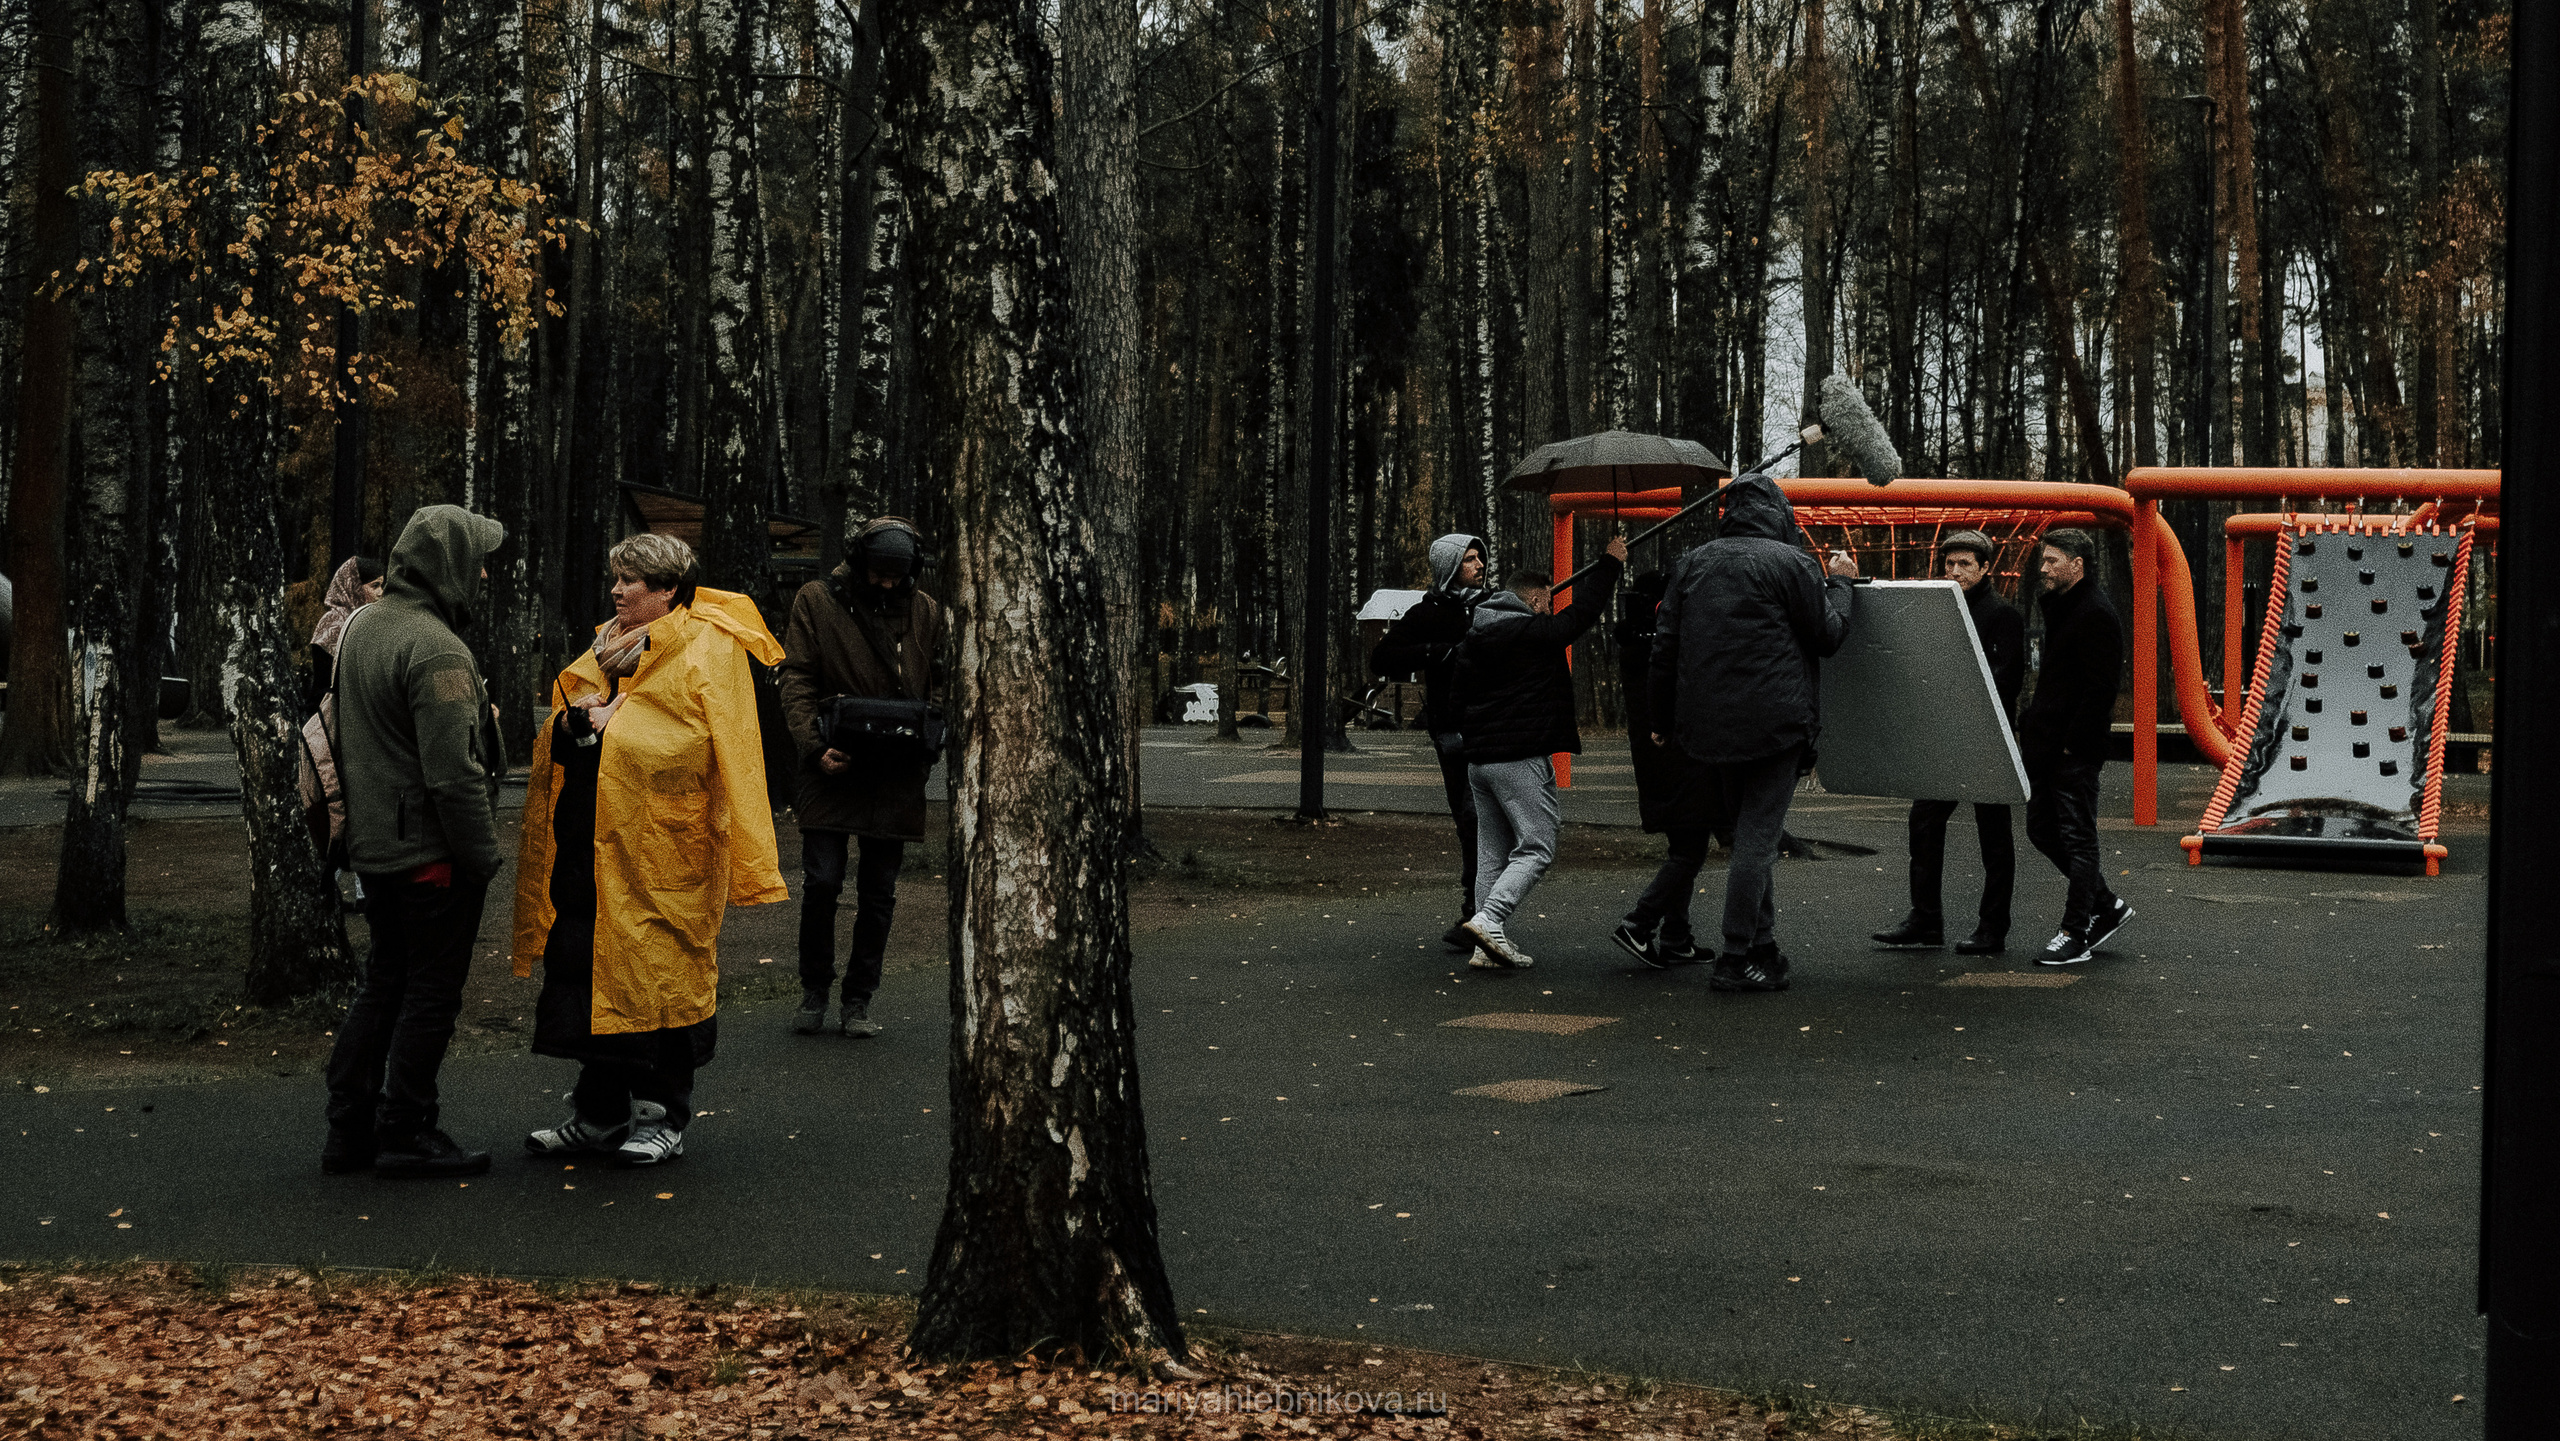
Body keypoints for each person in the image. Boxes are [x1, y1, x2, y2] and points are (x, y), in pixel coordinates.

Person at [511, 533, 789, 1167]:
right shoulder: (607, 648)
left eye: (630, 580)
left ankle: (665, 1114)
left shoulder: (707, 650)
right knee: (588, 980)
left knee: (662, 986)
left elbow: (727, 751)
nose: (616, 590)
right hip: (591, 852)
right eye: (615, 577)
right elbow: (559, 735)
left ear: (667, 590)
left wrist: (622, 725)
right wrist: (578, 724)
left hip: (665, 855)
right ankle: (598, 1115)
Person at [319, 506, 509, 1179]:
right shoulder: (435, 647)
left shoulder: (364, 624)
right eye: (477, 558)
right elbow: (455, 774)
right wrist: (482, 857)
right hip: (429, 854)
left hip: (374, 849)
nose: (484, 572)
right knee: (430, 993)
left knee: (385, 982)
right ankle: (405, 1126)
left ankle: (351, 1126)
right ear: (448, 562)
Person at [1647, 473, 1856, 993]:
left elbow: (1665, 646)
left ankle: (1763, 947)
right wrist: (1842, 584)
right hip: (1775, 721)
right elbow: (1828, 636)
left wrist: (1660, 718)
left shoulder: (1693, 562)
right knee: (1756, 842)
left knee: (1746, 835)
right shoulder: (1791, 563)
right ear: (1778, 514)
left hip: (1706, 725)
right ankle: (1736, 956)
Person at [776, 517, 945, 1037]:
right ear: (859, 562)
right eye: (878, 573)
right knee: (822, 881)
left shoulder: (926, 611)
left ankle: (858, 1001)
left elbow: (941, 682)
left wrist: (928, 737)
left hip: (894, 774)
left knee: (879, 892)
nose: (886, 584)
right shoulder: (816, 600)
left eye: (897, 576)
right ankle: (814, 990)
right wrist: (813, 745)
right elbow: (797, 677)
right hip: (830, 762)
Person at [1453, 534, 1627, 969]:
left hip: (1480, 762)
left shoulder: (1474, 638)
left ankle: (1483, 947)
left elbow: (1455, 700)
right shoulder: (1529, 632)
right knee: (1538, 845)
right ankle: (1490, 920)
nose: (1549, 609)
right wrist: (1610, 564)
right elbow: (1580, 616)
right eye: (1546, 602)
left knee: (1492, 853)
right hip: (1520, 758)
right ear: (1533, 599)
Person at [1871, 530, 2027, 954]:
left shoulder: (2002, 615)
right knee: (1923, 823)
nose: (1955, 571)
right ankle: (1926, 920)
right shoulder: (1940, 611)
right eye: (1949, 564)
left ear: (1985, 568)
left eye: (1964, 564)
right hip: (1943, 735)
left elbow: (2006, 682)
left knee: (1993, 837)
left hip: (1985, 739)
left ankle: (1992, 927)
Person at [1368, 532, 1491, 952]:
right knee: (1469, 819)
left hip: (1492, 725)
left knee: (1491, 819)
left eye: (1481, 558)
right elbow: (1381, 659)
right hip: (1452, 729)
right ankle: (1474, 910)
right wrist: (1437, 652)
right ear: (1450, 566)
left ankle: (1483, 910)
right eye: (1470, 559)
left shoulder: (1491, 607)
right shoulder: (1429, 612)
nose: (1480, 565)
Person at [2016, 528, 2132, 966]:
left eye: (2052, 560)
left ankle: (2075, 930)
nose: (2043, 568)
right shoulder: (2065, 607)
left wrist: (2072, 746)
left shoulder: (2094, 612)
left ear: (2077, 565)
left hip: (2071, 750)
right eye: (2043, 561)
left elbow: (2101, 689)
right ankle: (2108, 905)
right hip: (2050, 744)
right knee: (2042, 830)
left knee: (2078, 838)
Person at [1609, 570, 1721, 969]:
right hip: (1683, 758)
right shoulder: (1671, 648)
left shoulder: (1637, 644)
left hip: (1656, 761)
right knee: (1690, 850)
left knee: (1683, 846)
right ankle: (1640, 922)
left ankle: (1676, 935)